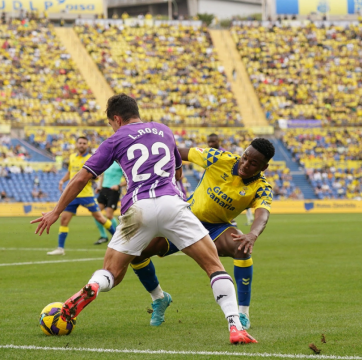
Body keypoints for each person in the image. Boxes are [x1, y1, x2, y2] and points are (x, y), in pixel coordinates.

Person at [31, 94, 257, 344]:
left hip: (138, 208)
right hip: (173, 205)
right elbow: (178, 171)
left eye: (110, 123)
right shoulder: (164, 130)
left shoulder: (115, 139)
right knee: (214, 267)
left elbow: (81, 178)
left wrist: (55, 211)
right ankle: (236, 327)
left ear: (116, 119)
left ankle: (94, 286)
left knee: (112, 272)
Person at [130, 138, 274, 330]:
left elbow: (263, 213)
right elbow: (177, 151)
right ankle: (159, 298)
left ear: (264, 167)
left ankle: (243, 314)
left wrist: (253, 234)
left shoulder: (261, 187)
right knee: (136, 253)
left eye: (253, 163)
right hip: (184, 219)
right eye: (245, 158)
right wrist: (170, 171)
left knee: (242, 248)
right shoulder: (219, 158)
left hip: (216, 228)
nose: (245, 164)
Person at [48, 137, 116, 256]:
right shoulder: (72, 157)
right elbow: (70, 172)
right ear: (76, 144)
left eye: (84, 143)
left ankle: (117, 240)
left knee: (100, 218)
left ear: (87, 145)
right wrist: (62, 181)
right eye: (80, 143)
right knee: (64, 220)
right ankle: (60, 248)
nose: (82, 145)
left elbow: (96, 175)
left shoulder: (91, 158)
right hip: (72, 195)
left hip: (86, 194)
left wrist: (95, 178)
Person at [206, 133, 255, 226]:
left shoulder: (225, 155)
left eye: (213, 141)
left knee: (225, 219)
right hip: (214, 189)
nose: (210, 144)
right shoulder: (208, 154)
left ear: (218, 142)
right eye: (209, 142)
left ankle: (234, 228)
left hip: (224, 189)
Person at [93, 160, 125, 245]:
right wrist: (99, 186)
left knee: (109, 215)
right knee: (96, 214)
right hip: (104, 190)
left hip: (114, 191)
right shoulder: (107, 161)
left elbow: (128, 179)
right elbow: (103, 175)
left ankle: (117, 236)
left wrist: (118, 186)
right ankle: (103, 236)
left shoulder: (121, 163)